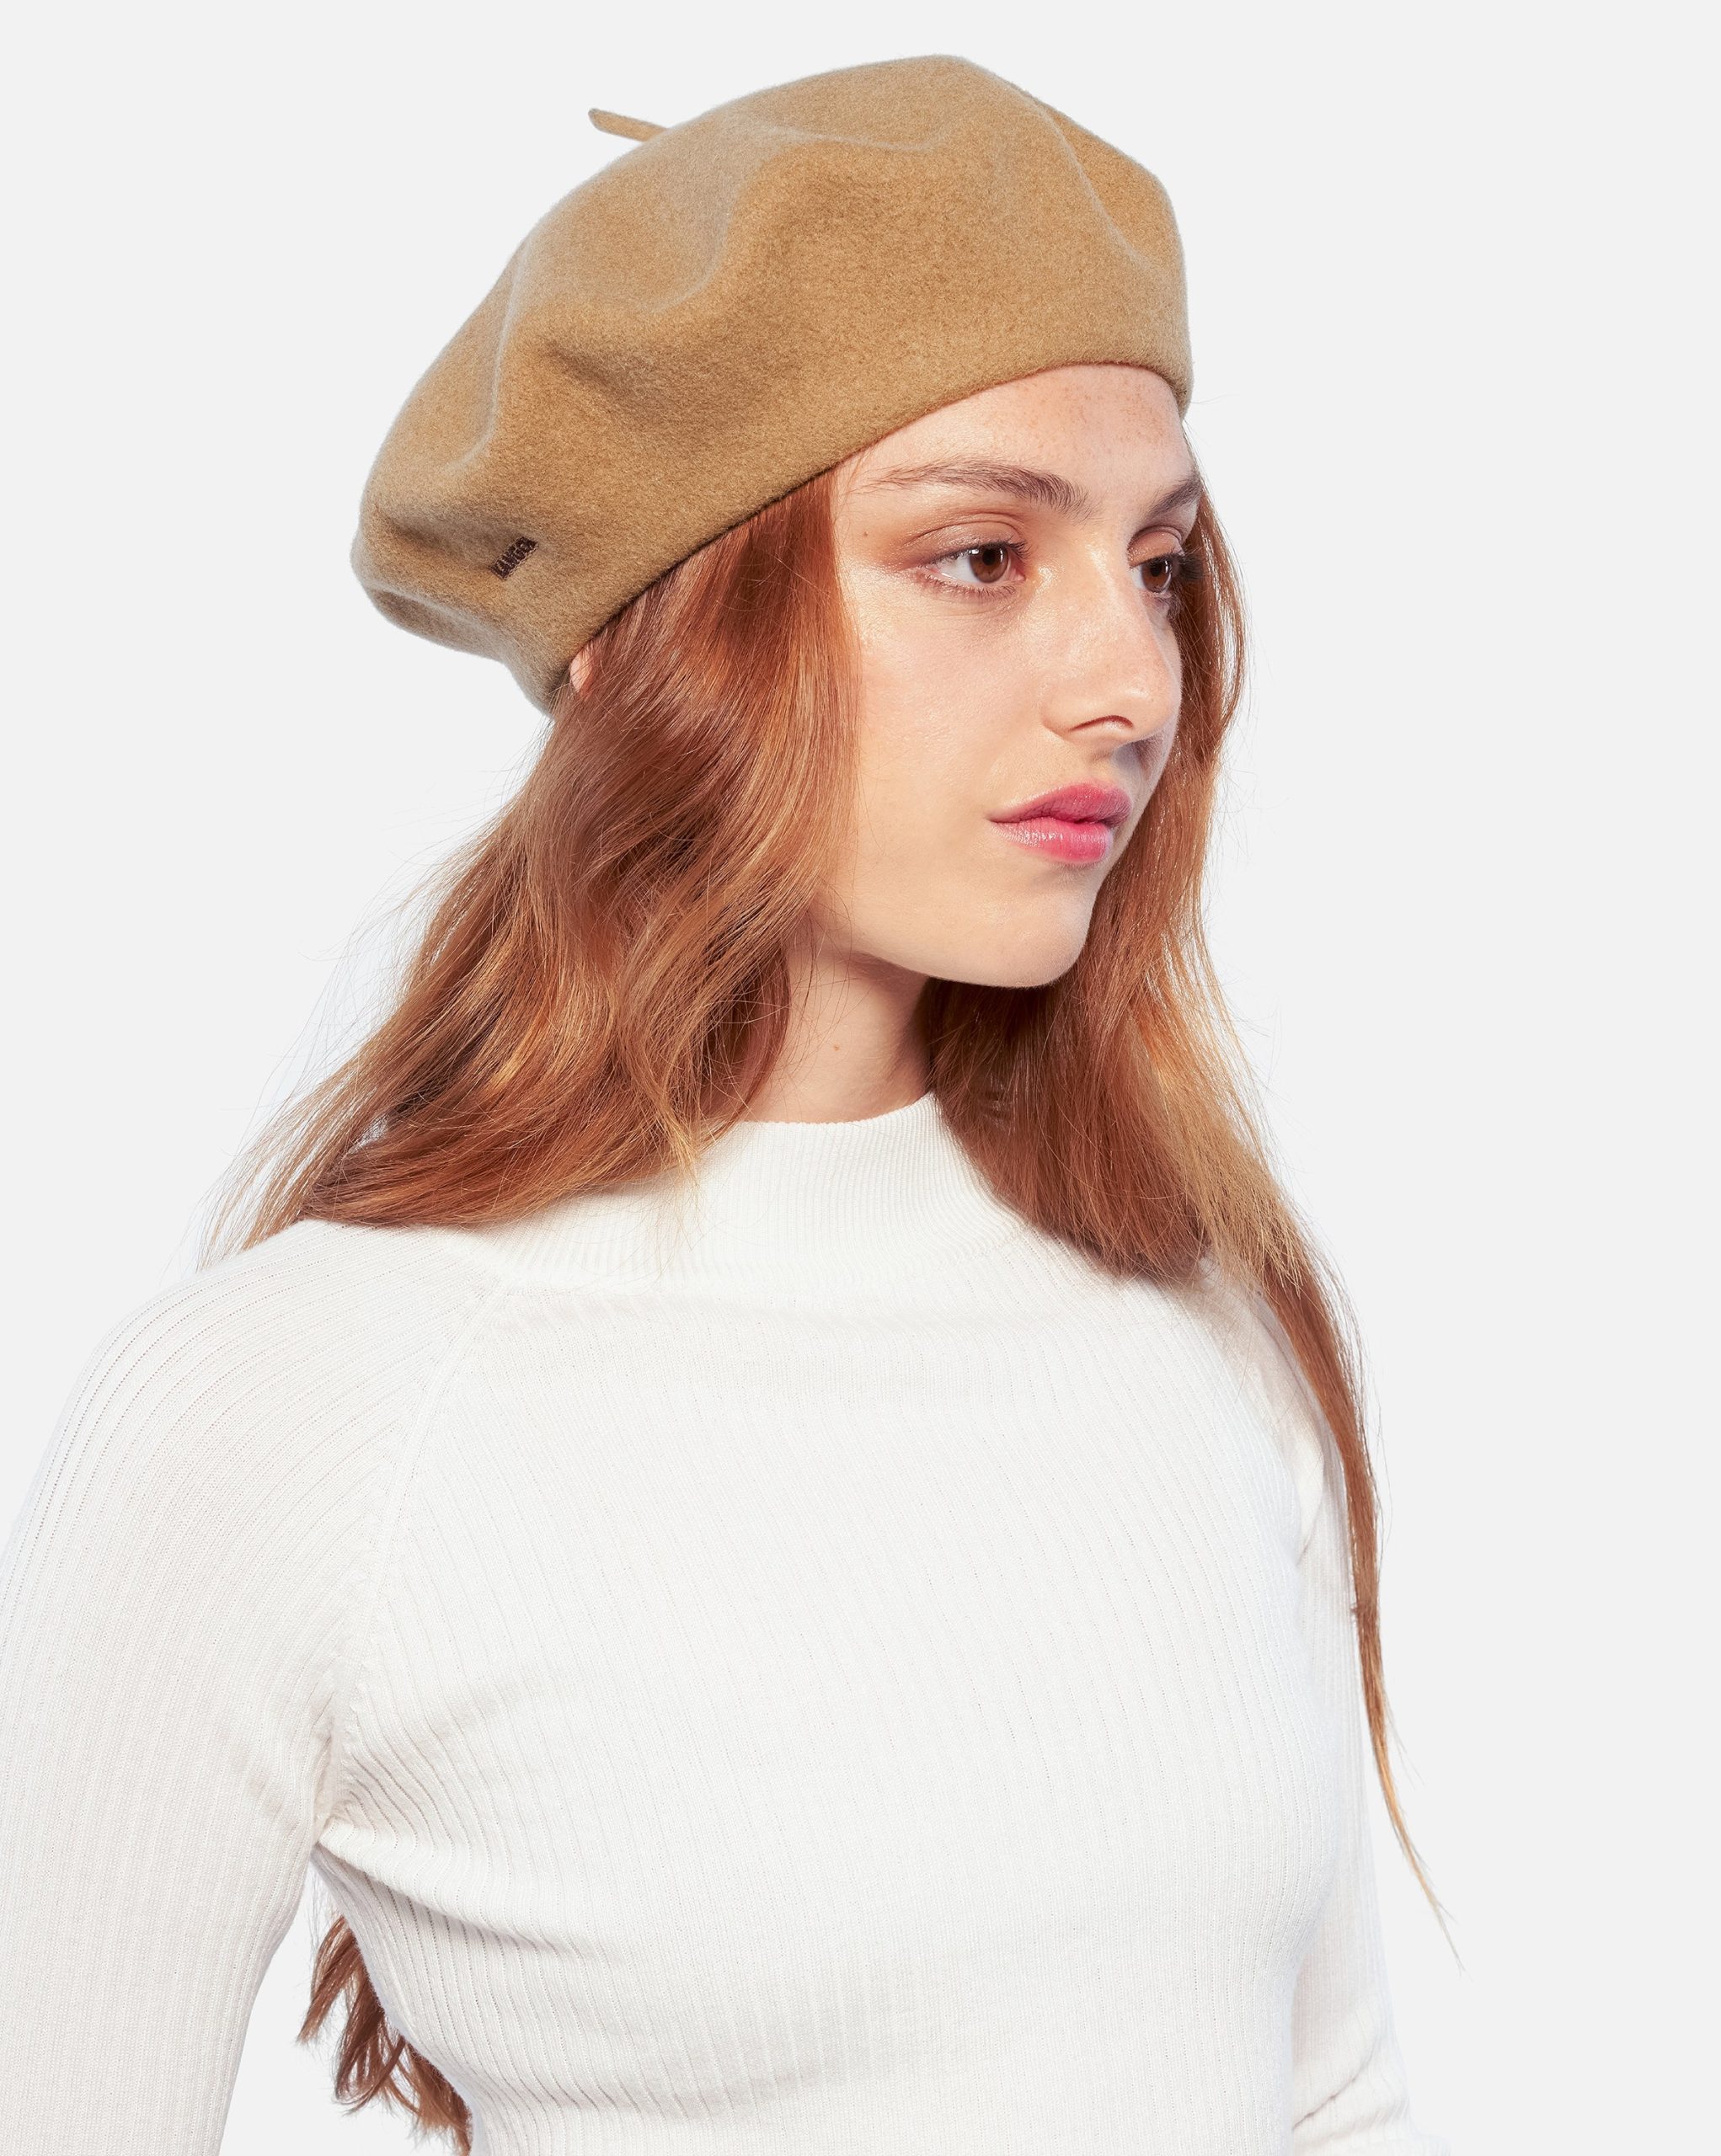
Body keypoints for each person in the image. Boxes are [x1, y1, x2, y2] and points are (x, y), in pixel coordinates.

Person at [0, 53, 1453, 2155]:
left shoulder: (1193, 1319)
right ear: (642, 639)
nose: (1129, 680)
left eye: (1152, 563)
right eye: (978, 554)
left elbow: (1331, 2101)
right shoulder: (295, 1411)